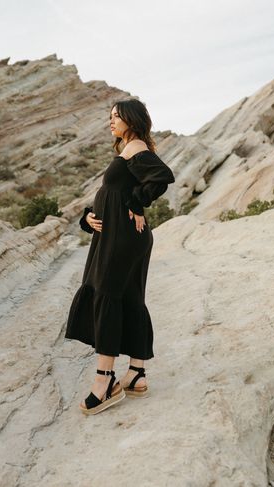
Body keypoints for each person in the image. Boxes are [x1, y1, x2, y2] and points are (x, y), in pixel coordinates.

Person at [64, 98, 175, 415]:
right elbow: (114, 193)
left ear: (132, 119)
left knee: (106, 296)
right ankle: (137, 373)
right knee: (129, 299)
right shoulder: (127, 147)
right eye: (110, 116)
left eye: (116, 116)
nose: (111, 121)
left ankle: (106, 381)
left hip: (124, 238)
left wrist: (138, 205)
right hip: (116, 235)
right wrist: (89, 217)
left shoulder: (137, 146)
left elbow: (162, 176)